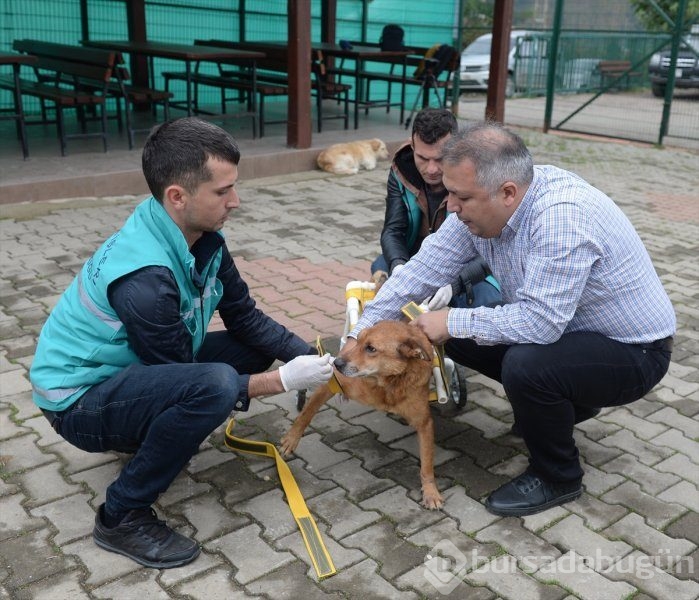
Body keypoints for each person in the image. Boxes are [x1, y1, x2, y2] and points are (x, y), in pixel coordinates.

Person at [29, 117, 333, 569]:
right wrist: (283, 381)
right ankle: (121, 515)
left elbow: (245, 317)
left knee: (247, 351)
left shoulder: (200, 237)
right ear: (178, 195)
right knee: (214, 384)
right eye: (223, 191)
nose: (236, 201)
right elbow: (192, 380)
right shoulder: (145, 281)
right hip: (77, 403)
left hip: (130, 372)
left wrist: (316, 360)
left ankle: (148, 438)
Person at [348, 121, 675, 517]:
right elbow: (420, 272)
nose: (450, 206)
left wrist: (451, 320)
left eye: (460, 196)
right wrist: (359, 335)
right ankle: (562, 406)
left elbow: (541, 325)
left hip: (633, 352)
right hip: (572, 333)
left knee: (524, 364)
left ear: (507, 192)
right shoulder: (481, 205)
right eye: (450, 192)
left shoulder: (561, 220)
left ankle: (558, 476)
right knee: (457, 336)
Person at [371, 107, 501, 310]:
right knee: (381, 267)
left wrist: (455, 283)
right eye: (422, 158)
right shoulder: (400, 169)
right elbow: (392, 230)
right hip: (420, 258)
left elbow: (493, 247)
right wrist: (399, 264)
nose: (431, 169)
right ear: (412, 146)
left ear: (457, 148)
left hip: (467, 265)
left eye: (440, 159)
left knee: (487, 301)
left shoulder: (480, 173)